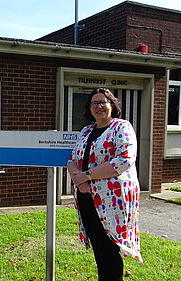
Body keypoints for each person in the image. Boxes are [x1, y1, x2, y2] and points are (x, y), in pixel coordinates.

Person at [67, 87, 142, 281]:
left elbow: (124, 160)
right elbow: (72, 159)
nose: (99, 106)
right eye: (94, 103)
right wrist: (78, 179)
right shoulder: (86, 130)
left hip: (112, 200)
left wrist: (87, 176)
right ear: (89, 108)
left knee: (108, 248)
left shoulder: (121, 127)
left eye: (103, 102)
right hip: (86, 196)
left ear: (112, 105)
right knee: (99, 248)